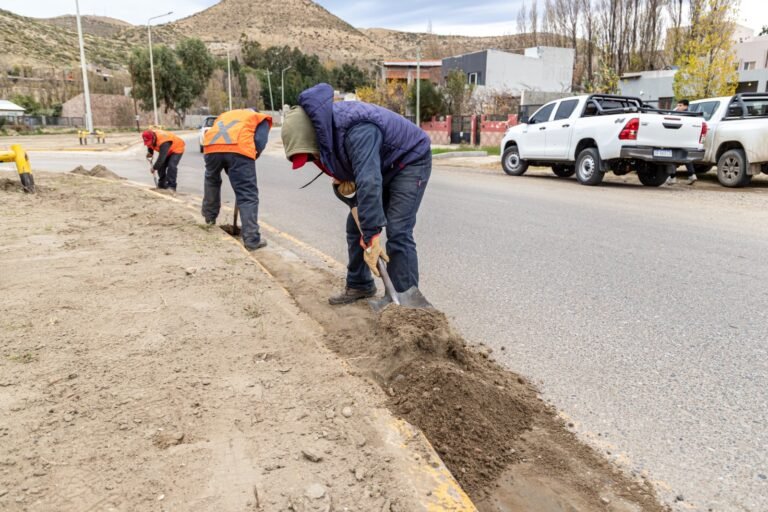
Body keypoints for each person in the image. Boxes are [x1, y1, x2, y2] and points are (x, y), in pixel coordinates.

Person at [281, 83, 431, 305]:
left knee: (398, 229)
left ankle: (405, 302)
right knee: (355, 226)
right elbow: (350, 176)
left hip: (409, 160)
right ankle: (360, 284)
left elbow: (369, 182)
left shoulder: (357, 130)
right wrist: (344, 187)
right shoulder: (326, 138)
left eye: (310, 156)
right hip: (381, 164)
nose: (313, 161)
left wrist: (372, 236)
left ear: (313, 137)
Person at [201, 109, 272, 251]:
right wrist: (251, 156)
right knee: (247, 195)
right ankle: (252, 240)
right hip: (239, 150)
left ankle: (209, 220)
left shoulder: (226, 114)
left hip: (211, 148)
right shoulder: (259, 118)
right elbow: (259, 140)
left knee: (212, 181)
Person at [667, 99, 697, 186]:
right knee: (686, 157)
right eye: (678, 105)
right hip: (686, 140)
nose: (678, 107)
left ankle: (672, 177)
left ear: (686, 106)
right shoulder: (692, 115)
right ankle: (692, 175)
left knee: (671, 157)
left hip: (676, 139)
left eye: (680, 105)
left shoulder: (680, 115)